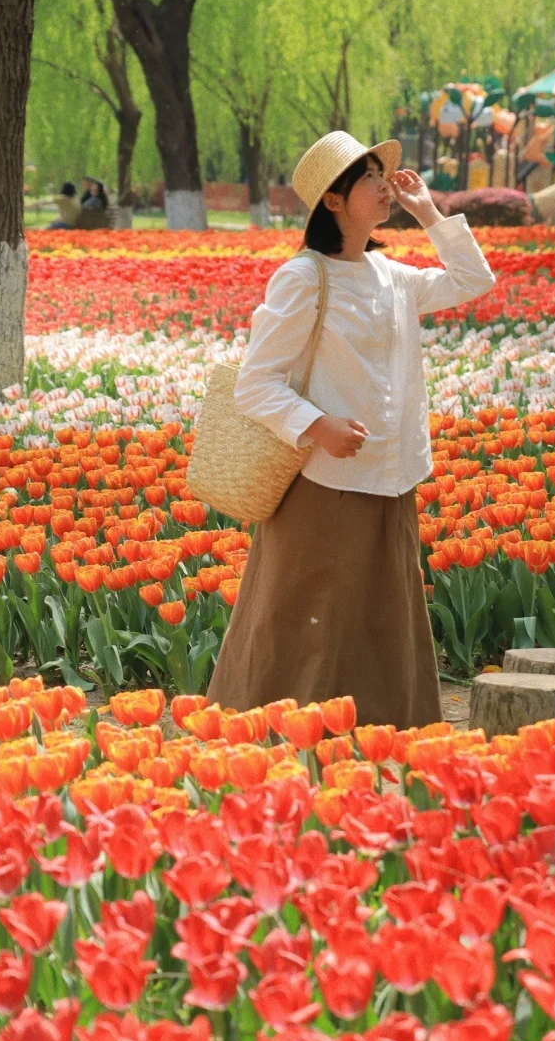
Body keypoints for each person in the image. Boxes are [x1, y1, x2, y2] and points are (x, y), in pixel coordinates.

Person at [206, 130, 495, 726]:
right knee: (309, 621)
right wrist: (318, 425)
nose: (385, 185)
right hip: (324, 483)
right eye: (368, 177)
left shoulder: (392, 277)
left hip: (392, 478)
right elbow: (255, 382)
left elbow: (474, 280)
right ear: (333, 201)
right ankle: (282, 735)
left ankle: (379, 739)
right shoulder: (305, 277)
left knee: (382, 622)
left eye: (382, 174)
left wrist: (429, 213)